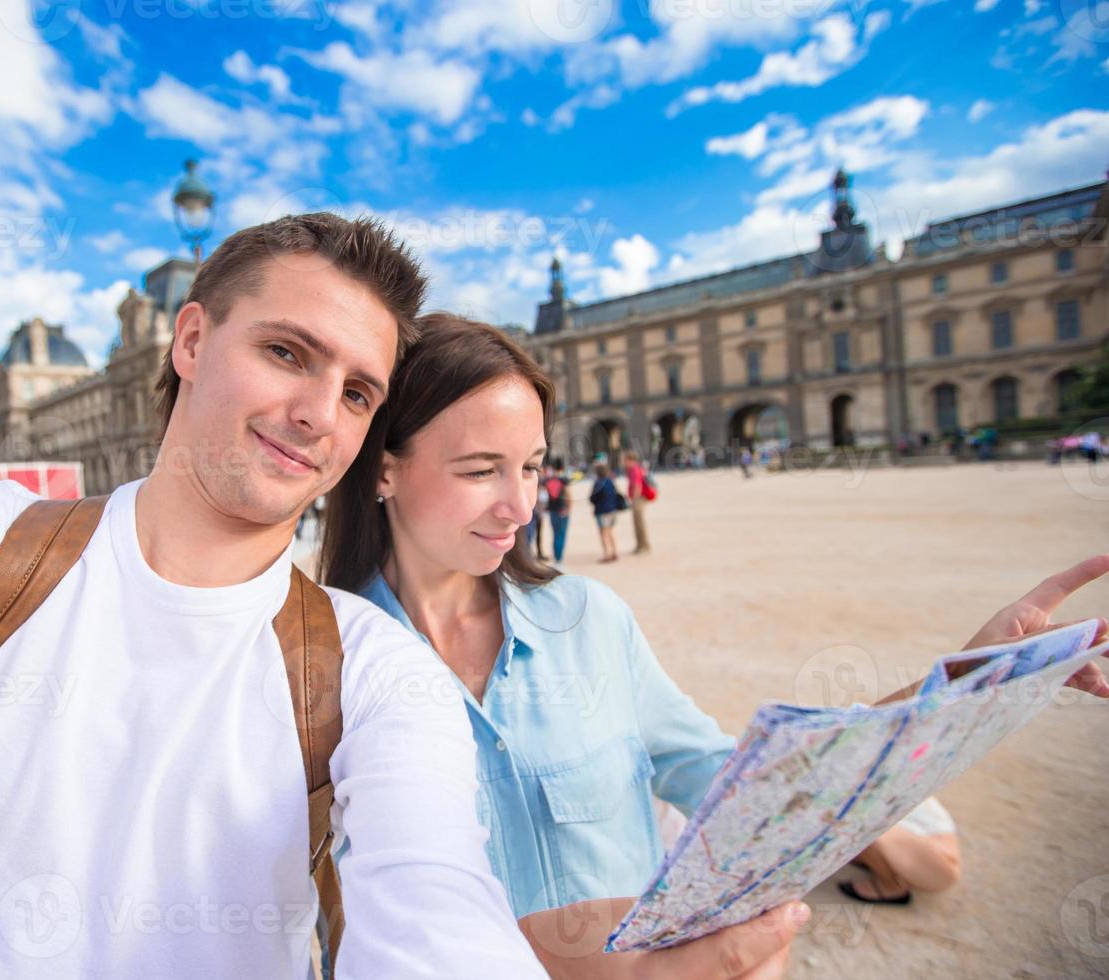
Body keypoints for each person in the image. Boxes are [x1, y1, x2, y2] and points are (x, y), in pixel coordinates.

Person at [0, 219, 807, 980]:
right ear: (188, 338)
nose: (318, 412)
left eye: (359, 390)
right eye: (289, 353)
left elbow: (434, 913)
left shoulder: (376, 670)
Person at [318, 313, 1109, 973]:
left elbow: (743, 786)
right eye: (480, 469)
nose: (519, 504)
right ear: (384, 470)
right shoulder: (324, 659)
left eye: (531, 466)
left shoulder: (588, 620)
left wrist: (962, 682)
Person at [840, 797, 960, 905]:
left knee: (861, 824)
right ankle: (883, 865)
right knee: (857, 820)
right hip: (926, 857)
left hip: (938, 868)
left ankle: (891, 887)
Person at [589, 461, 624, 563]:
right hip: (612, 510)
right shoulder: (610, 481)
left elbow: (593, 498)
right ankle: (614, 552)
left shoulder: (598, 483)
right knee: (610, 532)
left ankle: (607, 554)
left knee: (603, 533)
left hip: (602, 511)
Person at [624, 451, 652, 555]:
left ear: (630, 460)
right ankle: (640, 545)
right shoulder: (633, 469)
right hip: (637, 499)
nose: (624, 462)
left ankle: (644, 546)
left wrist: (633, 500)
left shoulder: (635, 470)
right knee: (637, 522)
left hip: (639, 499)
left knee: (639, 523)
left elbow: (637, 486)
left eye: (625, 460)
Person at [543, 462, 571, 566]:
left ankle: (556, 556)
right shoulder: (563, 481)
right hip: (562, 510)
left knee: (555, 534)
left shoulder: (548, 481)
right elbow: (569, 496)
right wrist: (568, 509)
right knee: (562, 534)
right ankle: (559, 558)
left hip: (552, 510)